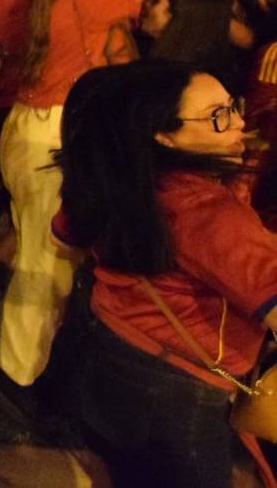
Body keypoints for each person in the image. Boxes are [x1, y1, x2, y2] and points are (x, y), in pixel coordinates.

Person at [0, 0, 192, 414]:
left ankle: (7, 340)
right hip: (51, 135)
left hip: (27, 128)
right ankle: (15, 379)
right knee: (46, 261)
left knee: (37, 245)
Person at [55, 62, 277, 488]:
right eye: (218, 117)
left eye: (233, 107)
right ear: (163, 133)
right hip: (177, 398)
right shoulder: (208, 212)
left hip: (102, 354)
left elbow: (64, 237)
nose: (238, 124)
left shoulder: (117, 176)